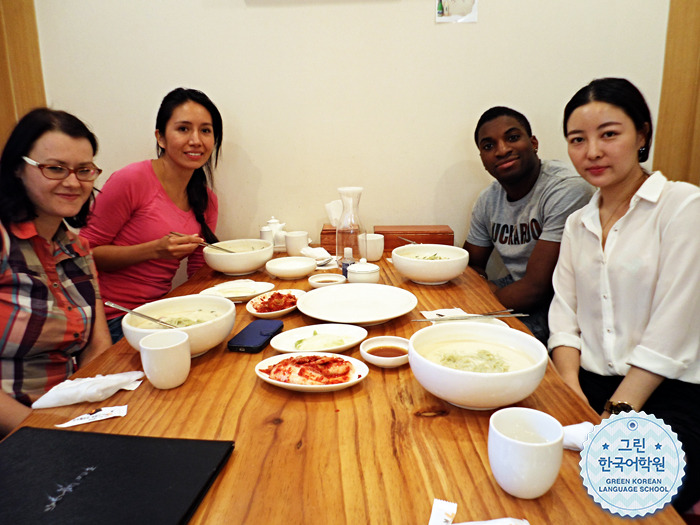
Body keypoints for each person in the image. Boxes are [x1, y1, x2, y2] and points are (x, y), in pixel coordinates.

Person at [549, 77, 700, 512]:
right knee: (530, 475)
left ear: (642, 135)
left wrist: (611, 420)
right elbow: (564, 314)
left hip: (669, 396)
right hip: (588, 386)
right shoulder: (578, 223)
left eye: (609, 134)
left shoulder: (682, 207)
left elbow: (671, 330)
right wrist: (569, 393)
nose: (592, 151)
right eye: (578, 140)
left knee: (606, 502)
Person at [0, 108, 112, 436]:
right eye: (54, 168)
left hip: (66, 415)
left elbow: (97, 345)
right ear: (19, 169)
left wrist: (95, 411)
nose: (73, 182)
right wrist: (42, 431)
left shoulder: (78, 247)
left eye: (84, 170)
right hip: (16, 431)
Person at [81, 88, 222, 343]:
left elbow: (198, 272)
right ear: (161, 137)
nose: (196, 140)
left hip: (160, 317)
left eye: (205, 130)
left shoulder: (207, 200)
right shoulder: (132, 179)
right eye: (183, 129)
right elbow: (85, 254)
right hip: (113, 319)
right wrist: (155, 250)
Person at [463, 106, 593, 344]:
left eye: (512, 138)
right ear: (482, 158)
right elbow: (470, 266)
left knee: (477, 341)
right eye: (488, 146)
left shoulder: (566, 190)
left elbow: (537, 289)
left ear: (533, 142)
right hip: (514, 287)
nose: (502, 150)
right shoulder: (488, 199)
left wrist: (482, 302)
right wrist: (480, 293)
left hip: (564, 301)